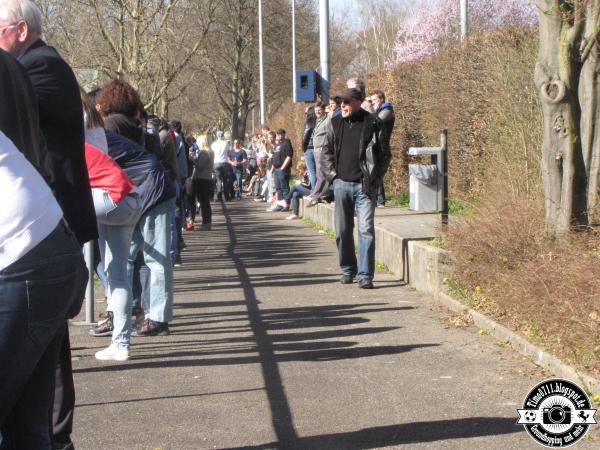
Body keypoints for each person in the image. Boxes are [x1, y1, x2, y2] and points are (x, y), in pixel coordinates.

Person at [0, 3, 98, 448]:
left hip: (31, 240)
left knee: (48, 358)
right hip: (43, 232)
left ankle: (59, 440)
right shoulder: (31, 68)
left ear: (20, 30)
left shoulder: (37, 69)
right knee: (34, 400)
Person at [322, 88, 391, 289]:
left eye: (346, 101)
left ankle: (365, 275)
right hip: (341, 184)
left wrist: (375, 178)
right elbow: (324, 152)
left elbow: (385, 153)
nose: (341, 105)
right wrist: (333, 177)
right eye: (339, 101)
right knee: (343, 231)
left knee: (366, 230)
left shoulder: (373, 122)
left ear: (358, 102)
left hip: (365, 186)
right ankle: (348, 269)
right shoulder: (334, 123)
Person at [369, 89, 395, 207]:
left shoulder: (387, 110)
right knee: (375, 172)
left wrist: (372, 110)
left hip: (382, 146)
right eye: (371, 100)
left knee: (377, 173)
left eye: (374, 100)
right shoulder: (381, 110)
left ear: (381, 99)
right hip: (377, 144)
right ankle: (378, 199)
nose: (372, 102)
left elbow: (376, 121)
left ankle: (379, 199)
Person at [268, 129, 293, 212]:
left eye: (280, 134)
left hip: (283, 169)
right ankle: (280, 204)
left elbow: (289, 156)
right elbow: (274, 157)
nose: (279, 135)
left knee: (284, 188)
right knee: (278, 189)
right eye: (277, 134)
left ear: (284, 134)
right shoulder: (277, 145)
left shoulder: (287, 143)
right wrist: (273, 168)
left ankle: (286, 204)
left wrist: (283, 168)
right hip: (276, 169)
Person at [211, 130, 233, 201]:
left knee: (218, 179)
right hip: (224, 162)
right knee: (225, 180)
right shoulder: (226, 143)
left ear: (217, 136)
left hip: (216, 162)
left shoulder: (213, 144)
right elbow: (229, 150)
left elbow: (212, 152)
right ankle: (227, 196)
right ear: (222, 135)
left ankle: (219, 195)